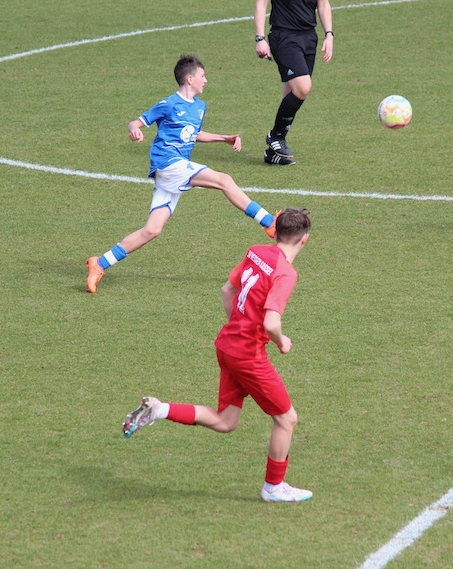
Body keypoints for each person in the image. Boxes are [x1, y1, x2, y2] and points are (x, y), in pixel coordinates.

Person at [123, 208, 313, 503]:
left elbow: (227, 291)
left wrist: (237, 327)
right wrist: (281, 342)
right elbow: (271, 322)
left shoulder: (256, 251)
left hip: (227, 345)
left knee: (226, 421)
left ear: (275, 232)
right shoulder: (286, 273)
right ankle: (273, 487)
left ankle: (159, 410)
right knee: (287, 419)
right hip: (248, 355)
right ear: (304, 240)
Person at [86, 55, 279, 294]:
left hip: (175, 170)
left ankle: (100, 263)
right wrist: (135, 131)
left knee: (152, 230)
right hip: (167, 163)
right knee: (224, 180)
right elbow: (135, 122)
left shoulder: (200, 107)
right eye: (202, 76)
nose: (206, 81)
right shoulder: (168, 104)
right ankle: (270, 223)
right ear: (190, 79)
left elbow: (192, 134)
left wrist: (224, 138)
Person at [254, 0, 333, 166]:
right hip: (283, 35)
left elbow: (323, 2)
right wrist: (260, 38)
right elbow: (261, 2)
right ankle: (275, 135)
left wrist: (329, 34)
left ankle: (273, 153)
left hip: (308, 37)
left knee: (292, 92)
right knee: (303, 87)